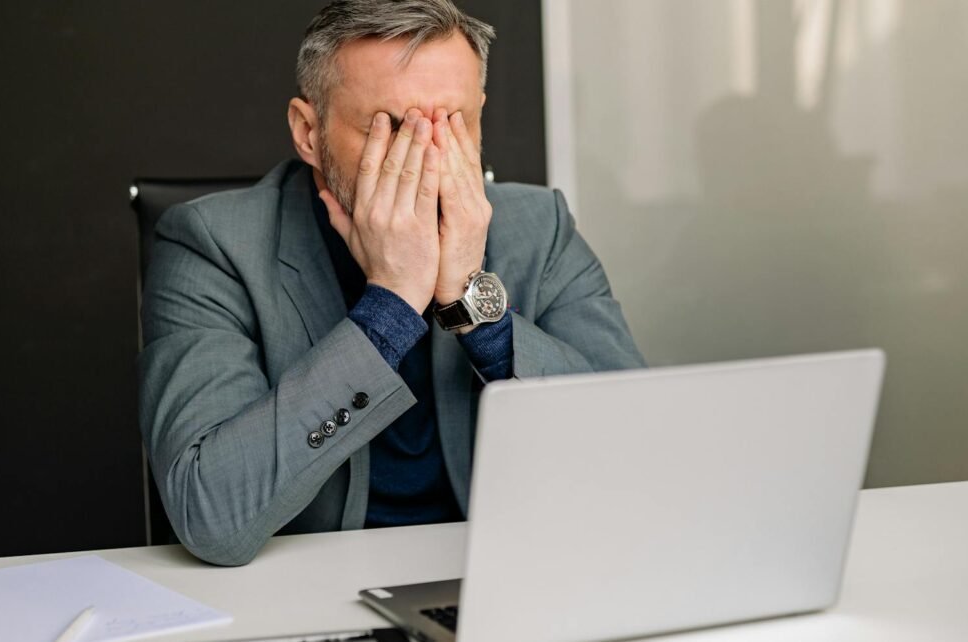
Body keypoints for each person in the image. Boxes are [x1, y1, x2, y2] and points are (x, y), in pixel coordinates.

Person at [138, 0, 645, 566]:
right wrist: (392, 306)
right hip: (310, 588)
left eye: (454, 124)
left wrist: (476, 309)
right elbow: (211, 517)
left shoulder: (540, 228)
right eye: (392, 129)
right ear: (309, 132)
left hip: (509, 574)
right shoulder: (213, 243)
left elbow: (643, 458)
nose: (425, 160)